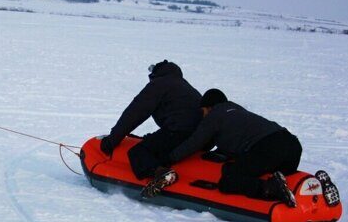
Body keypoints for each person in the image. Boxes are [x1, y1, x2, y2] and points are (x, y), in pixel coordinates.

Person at [164, 88, 301, 206]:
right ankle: (303, 190)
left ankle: (269, 189)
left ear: (210, 107)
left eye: (203, 111)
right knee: (273, 174)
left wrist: (170, 158)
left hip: (269, 147)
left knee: (229, 180)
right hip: (292, 144)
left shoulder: (215, 115)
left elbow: (195, 142)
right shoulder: (237, 110)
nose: (203, 115)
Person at [100, 60, 202, 187]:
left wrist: (112, 140)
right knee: (163, 150)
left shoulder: (159, 84)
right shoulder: (184, 86)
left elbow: (134, 113)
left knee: (138, 152)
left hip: (178, 131)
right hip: (200, 136)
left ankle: (161, 173)